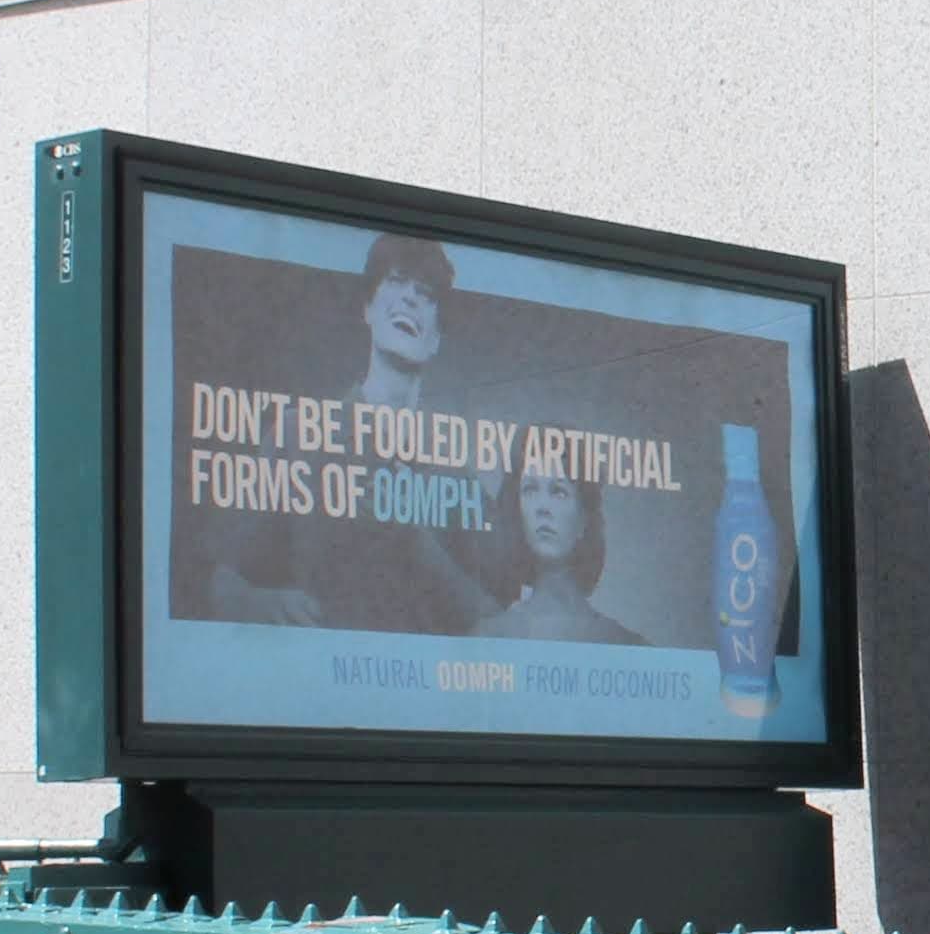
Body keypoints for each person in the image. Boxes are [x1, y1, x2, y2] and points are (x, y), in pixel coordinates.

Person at [198, 232, 497, 638]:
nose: (409, 298)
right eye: (396, 281)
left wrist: (415, 539)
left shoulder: (456, 471)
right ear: (368, 308)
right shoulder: (298, 432)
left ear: (436, 340)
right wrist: (259, 604)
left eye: (425, 293)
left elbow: (493, 620)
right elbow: (222, 582)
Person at [488, 463, 634, 643]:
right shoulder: (489, 636)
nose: (542, 508)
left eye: (558, 492)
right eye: (530, 490)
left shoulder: (625, 644)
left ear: (583, 519)